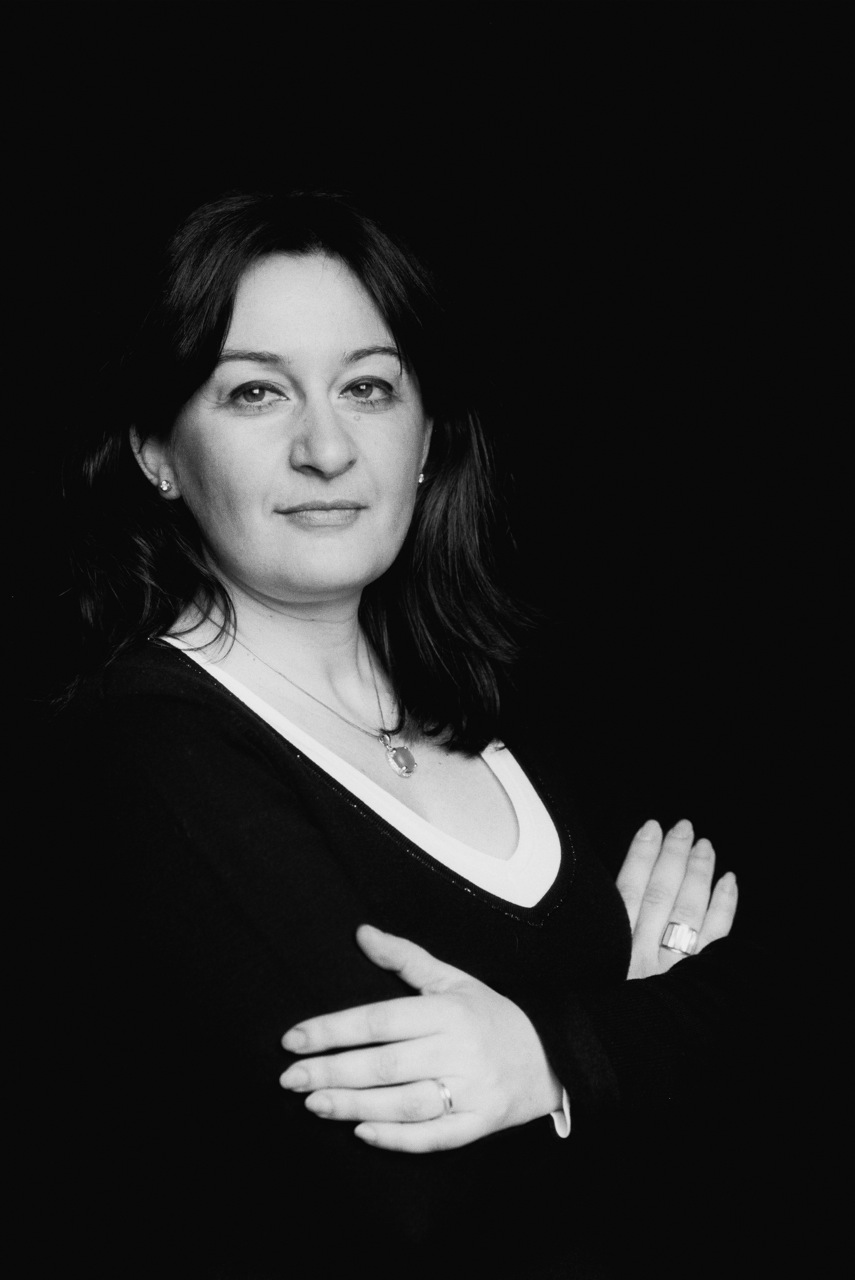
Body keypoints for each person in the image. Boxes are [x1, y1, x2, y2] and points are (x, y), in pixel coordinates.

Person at [56, 191, 758, 1278]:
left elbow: (784, 1028)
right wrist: (608, 1014)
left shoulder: (513, 695)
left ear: (425, 436)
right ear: (158, 450)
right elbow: (408, 1203)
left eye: (368, 387)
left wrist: (537, 1058)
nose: (326, 447)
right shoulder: (146, 748)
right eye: (255, 392)